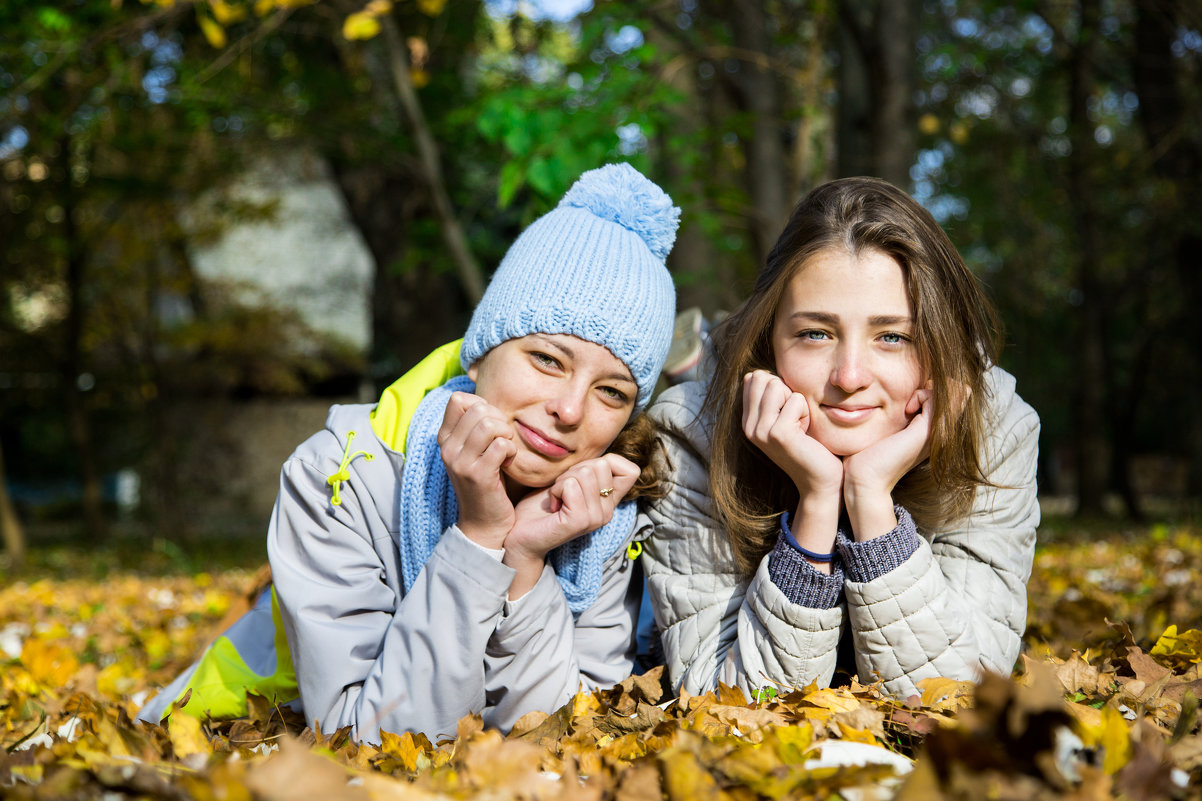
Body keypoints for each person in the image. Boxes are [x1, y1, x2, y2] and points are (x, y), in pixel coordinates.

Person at [138, 163, 680, 742]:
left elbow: (559, 736)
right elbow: (370, 737)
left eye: (611, 392)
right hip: (223, 744)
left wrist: (521, 560)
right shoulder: (338, 477)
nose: (570, 410)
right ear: (479, 354)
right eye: (548, 360)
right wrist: (476, 541)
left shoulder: (603, 515)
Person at [641, 176, 1039, 701]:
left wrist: (871, 500)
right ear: (768, 338)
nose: (849, 376)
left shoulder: (995, 430)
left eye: (892, 337)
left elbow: (956, 698)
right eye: (816, 334)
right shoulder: (693, 436)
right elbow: (726, 703)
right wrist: (816, 503)